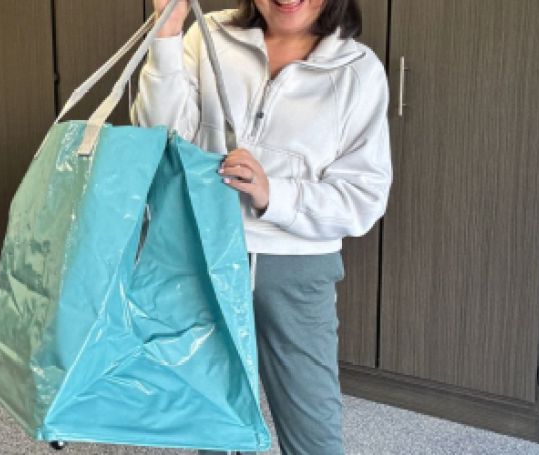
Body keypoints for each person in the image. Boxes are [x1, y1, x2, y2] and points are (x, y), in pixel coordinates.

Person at [132, 0, 392, 454]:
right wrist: (167, 34)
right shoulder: (207, 34)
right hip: (206, 256)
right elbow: (163, 140)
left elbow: (363, 198)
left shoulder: (359, 71)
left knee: (313, 428)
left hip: (297, 268)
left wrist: (275, 194)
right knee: (216, 421)